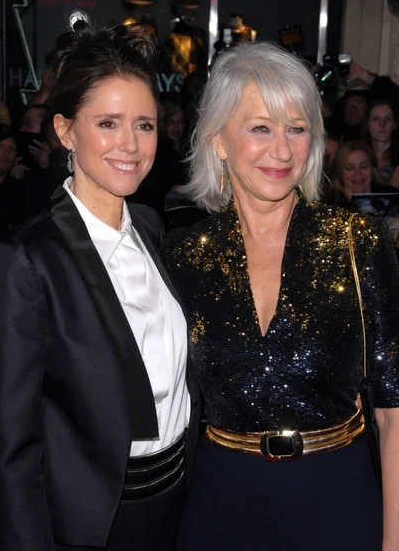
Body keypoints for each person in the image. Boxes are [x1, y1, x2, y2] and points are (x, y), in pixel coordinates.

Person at [162, 42, 399, 550]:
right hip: (219, 501)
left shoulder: (358, 242)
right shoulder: (184, 256)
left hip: (336, 496)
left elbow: (393, 412)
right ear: (219, 140)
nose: (283, 150)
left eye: (297, 128)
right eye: (260, 128)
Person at [0, 16, 199, 551]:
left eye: (145, 124)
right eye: (107, 123)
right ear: (65, 131)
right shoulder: (28, 260)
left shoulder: (154, 229)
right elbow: (12, 448)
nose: (130, 144)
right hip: (94, 525)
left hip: (178, 504)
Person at [329, 139, 397, 209]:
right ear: (340, 173)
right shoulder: (330, 206)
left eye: (364, 166)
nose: (358, 173)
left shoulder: (391, 202)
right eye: (350, 168)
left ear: (372, 169)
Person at [362, 100, 399, 184]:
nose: (382, 124)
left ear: (394, 124)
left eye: (388, 119)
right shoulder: (357, 154)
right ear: (367, 124)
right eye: (375, 119)